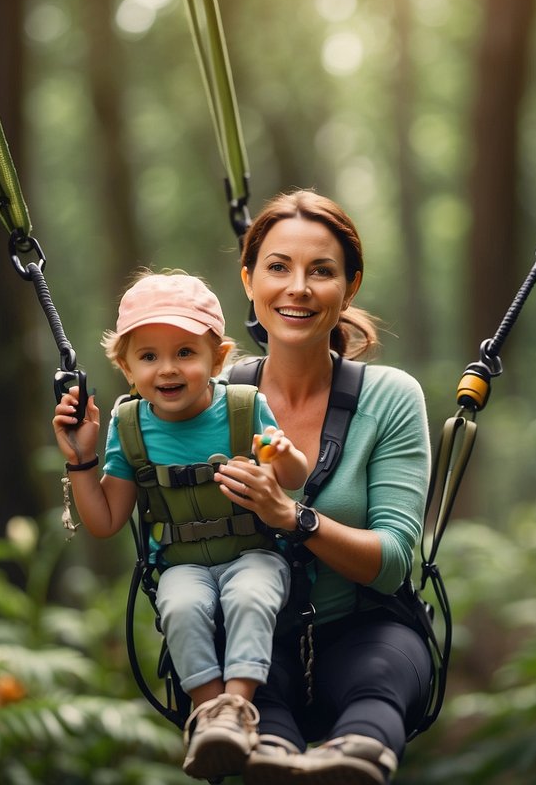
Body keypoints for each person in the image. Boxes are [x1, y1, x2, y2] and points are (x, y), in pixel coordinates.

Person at [211, 190, 433, 785]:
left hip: (368, 625)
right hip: (248, 638)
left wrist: (294, 517)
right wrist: (83, 461)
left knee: (377, 689)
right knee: (257, 729)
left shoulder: (390, 398)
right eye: (278, 267)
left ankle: (356, 760)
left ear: (350, 287)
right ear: (248, 280)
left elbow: (391, 563)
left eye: (322, 271)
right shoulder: (204, 401)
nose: (298, 288)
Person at [52, 270, 309, 781]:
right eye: (148, 356)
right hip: (182, 566)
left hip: (252, 554)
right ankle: (208, 713)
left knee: (249, 597)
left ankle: (236, 708)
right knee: (182, 605)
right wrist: (80, 460)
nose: (166, 369)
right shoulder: (130, 427)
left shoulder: (243, 407)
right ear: (125, 366)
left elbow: (295, 480)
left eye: (185, 353)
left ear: (218, 358)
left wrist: (284, 456)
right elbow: (104, 521)